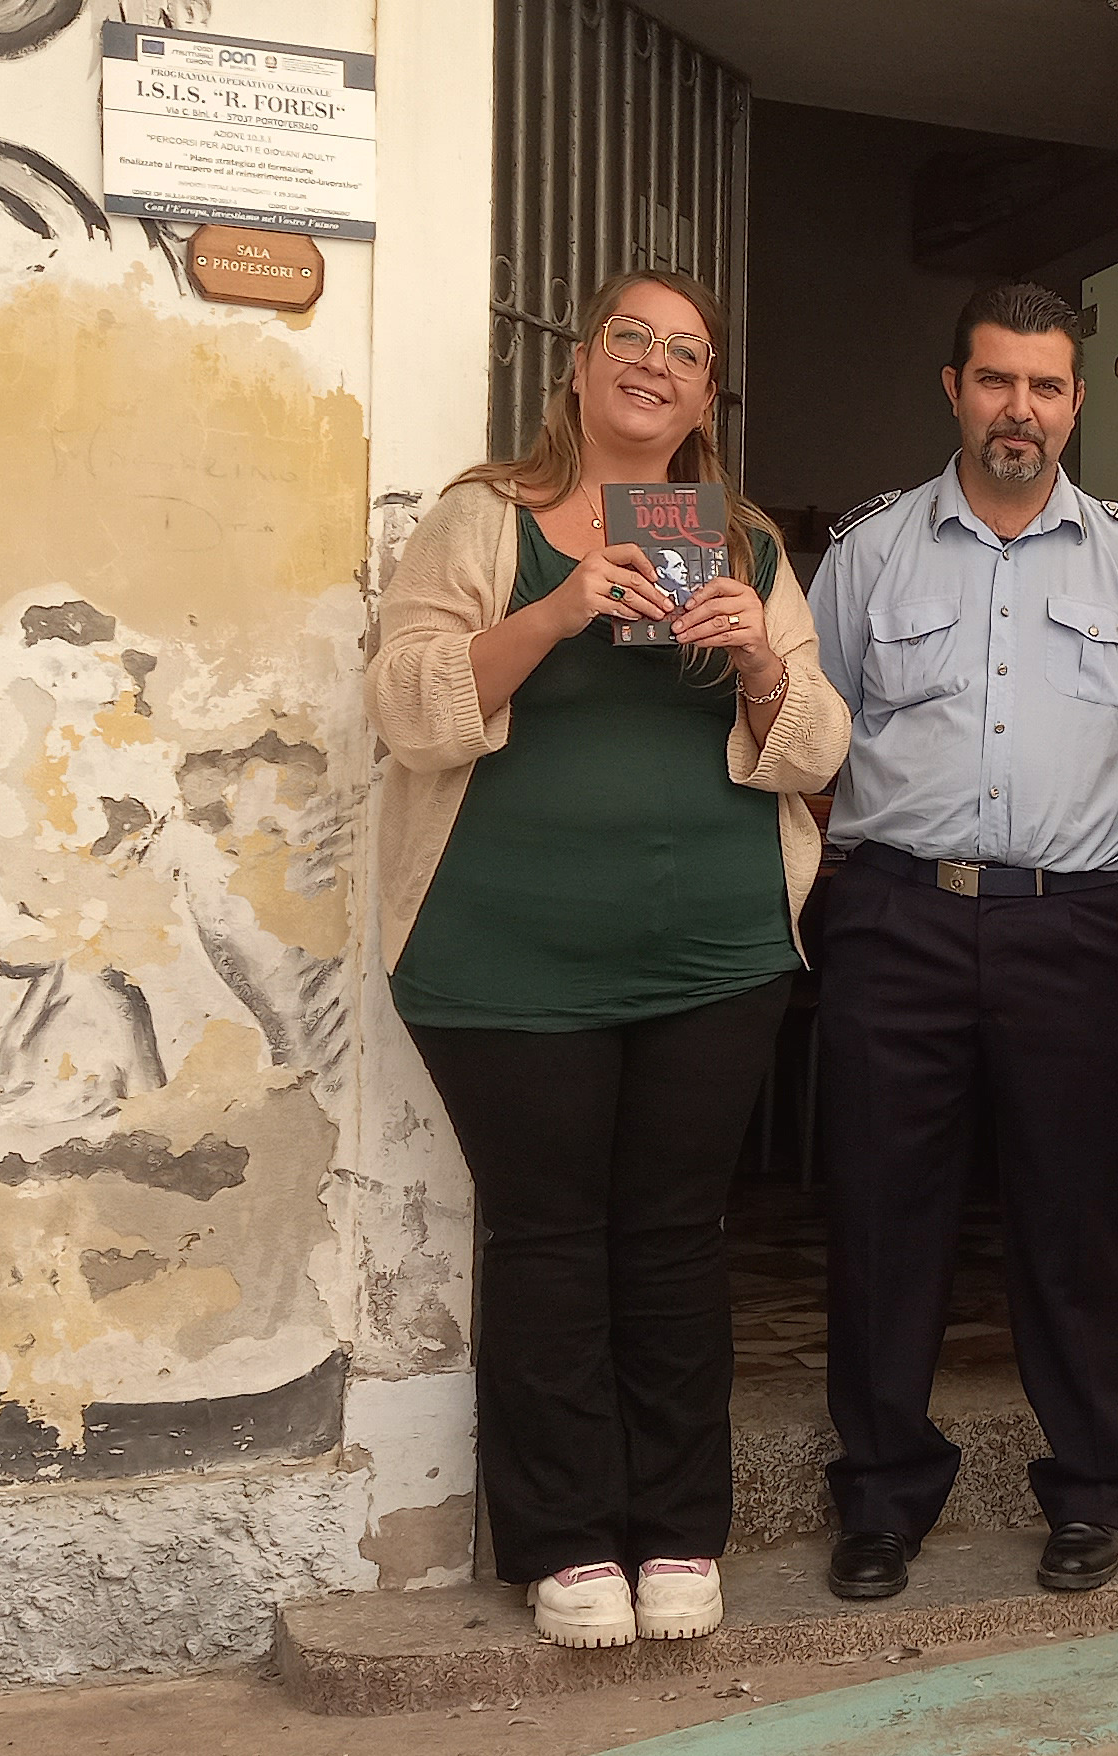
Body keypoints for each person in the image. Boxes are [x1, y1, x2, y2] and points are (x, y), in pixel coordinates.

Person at [367, 269, 849, 1649]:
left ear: (705, 397)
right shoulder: (480, 520)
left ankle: (679, 1532)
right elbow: (408, 707)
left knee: (675, 1239)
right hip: (502, 953)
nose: (654, 362)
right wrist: (565, 605)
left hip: (711, 955)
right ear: (578, 369)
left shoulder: (745, 545)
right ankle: (569, 1541)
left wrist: (761, 660)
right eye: (629, 338)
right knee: (548, 1239)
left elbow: (821, 753)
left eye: (685, 351)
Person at [805, 282, 1118, 1602]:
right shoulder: (870, 550)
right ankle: (879, 1498)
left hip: (1067, 927)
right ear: (954, 387)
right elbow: (810, 745)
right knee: (882, 1214)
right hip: (894, 917)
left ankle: (1090, 1490)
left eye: (1045, 388)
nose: (1019, 412)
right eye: (996, 382)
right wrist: (891, 866)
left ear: (1076, 402)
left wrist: (1069, 847)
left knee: (1074, 1217)